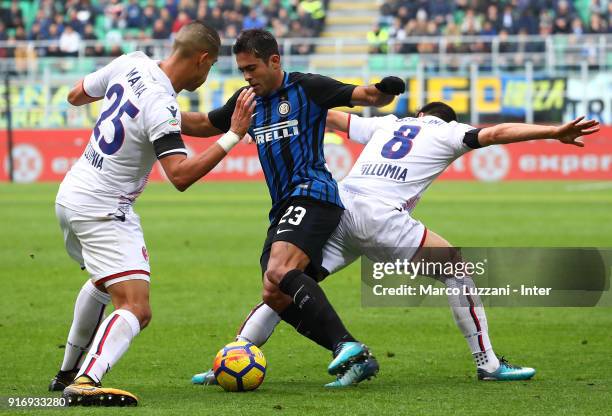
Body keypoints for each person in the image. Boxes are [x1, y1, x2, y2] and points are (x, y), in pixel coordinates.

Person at [192, 102, 600, 386]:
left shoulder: (389, 124)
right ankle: (488, 363)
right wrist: (552, 131)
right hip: (380, 217)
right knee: (456, 269)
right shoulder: (448, 132)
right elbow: (495, 133)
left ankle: (231, 358)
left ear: (419, 114)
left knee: (288, 283)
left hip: (340, 206)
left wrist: (274, 119)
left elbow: (330, 118)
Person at [181, 29, 406, 386]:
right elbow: (205, 124)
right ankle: (350, 351)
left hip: (314, 194)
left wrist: (386, 89)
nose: (247, 76)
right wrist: (159, 116)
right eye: (242, 70)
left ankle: (345, 344)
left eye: (252, 67)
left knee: (278, 269)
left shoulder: (308, 88)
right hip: (283, 207)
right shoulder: (246, 99)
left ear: (274, 61)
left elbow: (366, 96)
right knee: (274, 292)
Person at [49, 21, 256, 406]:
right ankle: (86, 381)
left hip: (72, 193)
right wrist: (233, 137)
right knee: (136, 307)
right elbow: (179, 175)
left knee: (103, 282)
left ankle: (65, 373)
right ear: (202, 59)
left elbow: (77, 95)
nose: (207, 74)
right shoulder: (160, 102)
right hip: (103, 208)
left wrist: (225, 121)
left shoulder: (132, 62)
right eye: (210, 68)